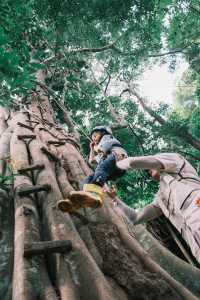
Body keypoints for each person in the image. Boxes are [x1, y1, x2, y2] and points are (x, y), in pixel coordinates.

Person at [115, 153, 200, 264]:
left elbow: (131, 163)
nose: (148, 172)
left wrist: (117, 163)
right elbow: (135, 218)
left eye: (148, 168)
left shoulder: (176, 160)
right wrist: (115, 199)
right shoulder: (161, 197)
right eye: (147, 172)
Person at [57, 126, 127, 212]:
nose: (93, 138)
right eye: (92, 137)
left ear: (103, 132)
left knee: (100, 169)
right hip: (112, 168)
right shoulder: (101, 150)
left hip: (118, 157)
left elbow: (102, 148)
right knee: (90, 178)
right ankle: (77, 202)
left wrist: (96, 147)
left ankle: (95, 194)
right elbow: (92, 161)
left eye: (95, 135)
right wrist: (91, 149)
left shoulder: (108, 138)